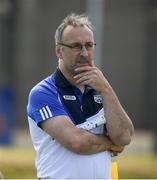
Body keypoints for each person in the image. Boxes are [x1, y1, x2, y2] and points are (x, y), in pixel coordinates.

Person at [27, 13, 134, 179]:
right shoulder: (43, 92)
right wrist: (110, 144)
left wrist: (106, 89)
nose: (84, 53)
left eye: (89, 45)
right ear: (58, 51)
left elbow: (124, 136)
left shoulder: (102, 90)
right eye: (76, 46)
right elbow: (76, 142)